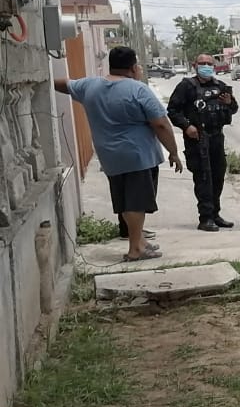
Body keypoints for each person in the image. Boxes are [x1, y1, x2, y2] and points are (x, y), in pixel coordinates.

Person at [55, 46, 183, 262]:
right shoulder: (137, 90)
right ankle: (135, 249)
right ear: (133, 67)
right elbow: (160, 124)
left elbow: (62, 84)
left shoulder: (90, 85)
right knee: (136, 202)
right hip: (137, 155)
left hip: (109, 155)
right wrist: (174, 152)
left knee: (125, 201)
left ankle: (140, 241)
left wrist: (44, 80)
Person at [168, 53, 238, 232]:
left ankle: (215, 214)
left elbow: (233, 108)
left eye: (209, 63)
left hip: (216, 137)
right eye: (202, 63)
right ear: (194, 65)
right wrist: (186, 126)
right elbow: (173, 110)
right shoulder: (187, 87)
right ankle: (205, 217)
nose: (206, 66)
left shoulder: (220, 86)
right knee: (203, 177)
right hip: (198, 139)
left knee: (218, 176)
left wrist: (230, 103)